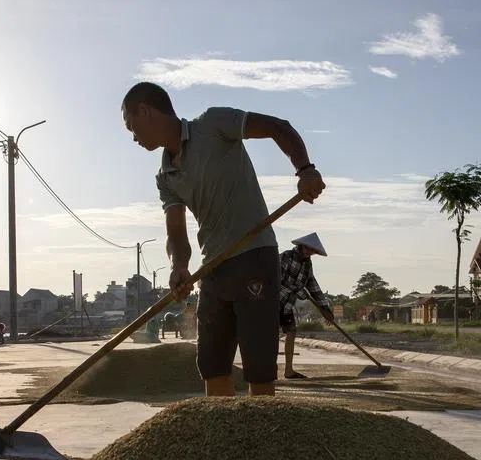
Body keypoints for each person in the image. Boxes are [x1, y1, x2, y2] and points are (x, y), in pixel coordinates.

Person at [122, 81, 325, 397]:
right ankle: (221, 438)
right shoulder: (165, 178)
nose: (133, 138)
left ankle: (262, 436)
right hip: (213, 268)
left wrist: (305, 170)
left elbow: (277, 127)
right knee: (213, 366)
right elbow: (175, 231)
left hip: (255, 256)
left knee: (259, 369)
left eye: (131, 126)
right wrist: (179, 266)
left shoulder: (214, 123)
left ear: (146, 111)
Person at [278, 232, 334, 379]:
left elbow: (313, 285)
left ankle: (288, 370)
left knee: (291, 333)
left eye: (313, 251)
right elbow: (276, 280)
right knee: (269, 337)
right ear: (301, 246)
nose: (311, 252)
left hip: (288, 305)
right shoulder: (285, 257)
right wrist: (298, 289)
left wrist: (324, 308)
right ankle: (268, 370)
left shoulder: (307, 264)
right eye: (309, 249)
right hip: (273, 302)